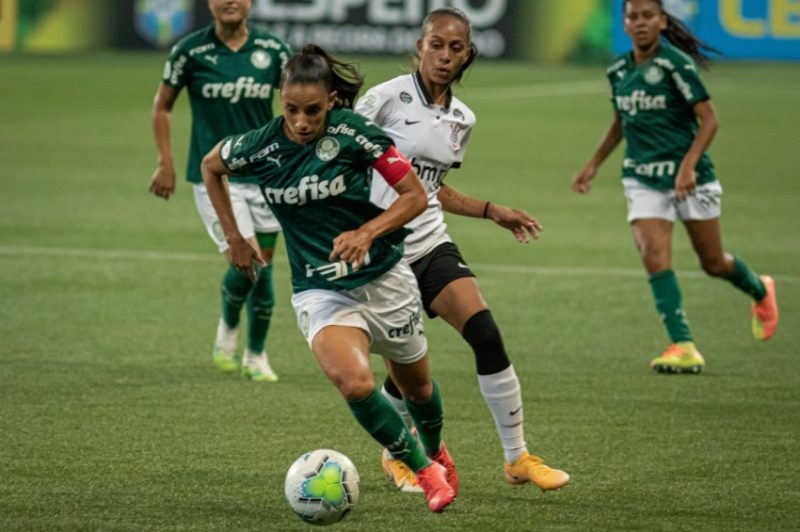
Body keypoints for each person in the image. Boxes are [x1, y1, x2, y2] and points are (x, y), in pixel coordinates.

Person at [201, 45, 458, 513]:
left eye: (313, 111)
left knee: (418, 388)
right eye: (291, 110)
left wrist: (367, 231)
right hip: (320, 288)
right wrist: (235, 238)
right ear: (280, 100)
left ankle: (438, 450)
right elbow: (210, 165)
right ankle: (423, 469)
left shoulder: (355, 133)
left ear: (333, 101)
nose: (301, 122)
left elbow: (414, 195)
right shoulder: (259, 145)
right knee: (355, 383)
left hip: (384, 277)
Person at [355, 7, 570, 493]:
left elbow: (431, 189)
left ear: (467, 54)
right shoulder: (383, 100)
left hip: (431, 241)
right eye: (436, 44)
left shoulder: (462, 118)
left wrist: (492, 210)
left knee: (486, 334)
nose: (445, 55)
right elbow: (341, 158)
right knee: (408, 376)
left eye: (455, 47)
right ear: (419, 46)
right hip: (383, 255)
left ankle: (517, 458)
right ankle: (396, 455)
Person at [572, 0, 779, 373]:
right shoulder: (619, 69)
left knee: (713, 263)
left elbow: (709, 119)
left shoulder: (675, 64)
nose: (640, 23)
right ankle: (682, 344)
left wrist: (688, 166)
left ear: (662, 21)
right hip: (642, 177)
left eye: (648, 16)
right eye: (633, 17)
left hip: (690, 179)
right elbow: (622, 120)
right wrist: (592, 164)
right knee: (653, 253)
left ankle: (760, 289)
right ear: (625, 23)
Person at [149, 0, 291, 381]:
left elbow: (297, 104)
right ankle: (229, 332)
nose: (230, 1)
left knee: (264, 266)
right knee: (246, 262)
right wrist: (166, 161)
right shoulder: (189, 51)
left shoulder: (274, 51)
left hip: (265, 174)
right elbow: (162, 106)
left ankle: (255, 355)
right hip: (216, 177)